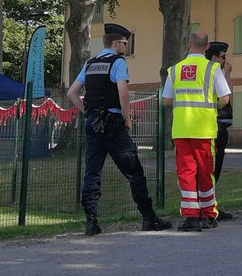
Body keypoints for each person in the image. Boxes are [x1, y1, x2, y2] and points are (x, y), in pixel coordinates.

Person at [66, 22, 172, 236]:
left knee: (92, 172)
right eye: (125, 43)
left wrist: (88, 112)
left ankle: (91, 222)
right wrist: (127, 118)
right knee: (134, 171)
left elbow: (71, 93)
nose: (126, 46)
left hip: (93, 124)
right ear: (116, 43)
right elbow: (123, 94)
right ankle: (148, 218)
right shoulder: (118, 62)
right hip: (114, 124)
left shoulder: (90, 63)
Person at [163, 31, 232, 231]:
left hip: (182, 129)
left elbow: (166, 100)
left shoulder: (175, 70)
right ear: (207, 46)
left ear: (188, 44)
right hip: (205, 130)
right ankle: (209, 216)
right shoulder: (212, 68)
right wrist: (212, 107)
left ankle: (191, 218)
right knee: (206, 172)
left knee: (186, 173)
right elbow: (225, 98)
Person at [205, 41, 235, 188]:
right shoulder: (214, 72)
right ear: (215, 57)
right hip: (216, 125)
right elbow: (227, 96)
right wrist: (228, 73)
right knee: (213, 167)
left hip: (214, 125)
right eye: (223, 56)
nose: (225, 61)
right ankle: (209, 205)